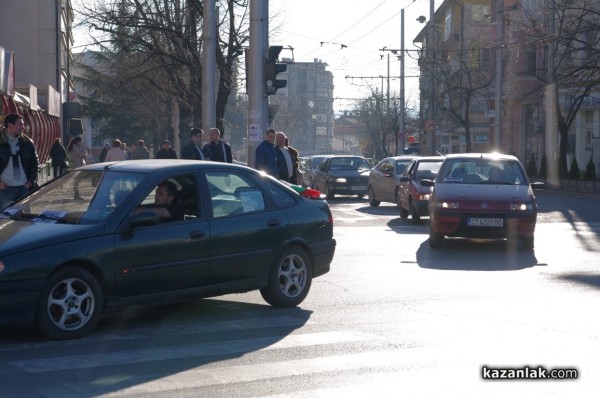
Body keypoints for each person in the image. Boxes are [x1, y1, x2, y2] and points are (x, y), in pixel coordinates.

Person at [0, 113, 40, 209]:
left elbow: (35, 164)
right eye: (20, 124)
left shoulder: (27, 142)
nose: (23, 128)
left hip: (24, 188)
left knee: (24, 221)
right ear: (10, 125)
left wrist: (30, 182)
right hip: (5, 189)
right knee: (4, 221)